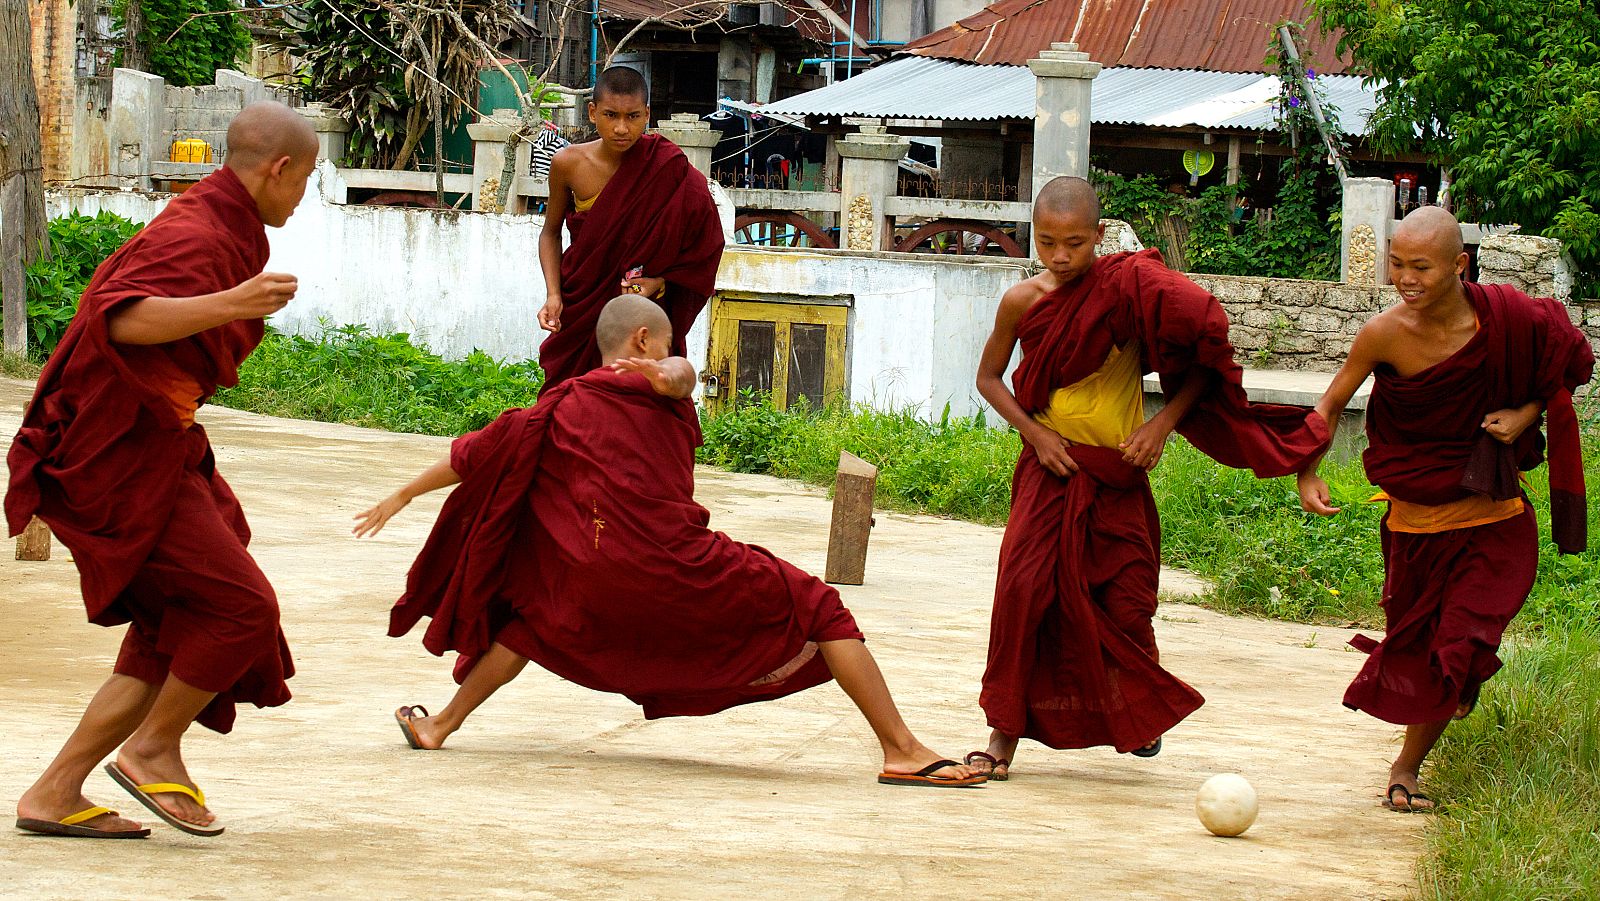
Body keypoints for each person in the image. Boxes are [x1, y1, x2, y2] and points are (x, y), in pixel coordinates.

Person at [356, 295, 984, 788]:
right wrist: (673, 373)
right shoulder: (665, 399)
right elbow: (683, 379)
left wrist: (402, 495)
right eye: (667, 343)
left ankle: (441, 725)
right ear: (642, 341)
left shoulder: (556, 409)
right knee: (821, 608)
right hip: (679, 566)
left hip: (592, 577)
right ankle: (901, 749)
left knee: (532, 625)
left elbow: (468, 460)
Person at [8, 101, 317, 839]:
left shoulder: (224, 223)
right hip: (114, 451)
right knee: (240, 607)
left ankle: (54, 791)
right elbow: (120, 317)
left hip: (154, 443)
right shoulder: (199, 228)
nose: (301, 197)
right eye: (303, 181)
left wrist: (227, 301)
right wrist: (232, 302)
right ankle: (151, 747)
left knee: (169, 630)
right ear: (277, 169)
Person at [967, 176, 1330, 780]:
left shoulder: (1127, 295)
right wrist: (1036, 433)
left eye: (1075, 244)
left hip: (1118, 472)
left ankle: (1133, 715)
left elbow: (1200, 368)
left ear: (1099, 237)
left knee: (1129, 600)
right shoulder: (1022, 301)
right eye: (1048, 241)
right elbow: (988, 378)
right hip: (1049, 470)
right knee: (1024, 595)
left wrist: (1160, 426)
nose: (1060, 256)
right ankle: (1002, 737)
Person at [1296, 206, 1592, 812]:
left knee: (1458, 649)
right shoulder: (1383, 333)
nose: (1405, 277)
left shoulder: (1508, 321)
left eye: (1421, 266)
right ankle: (1435, 713)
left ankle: (1407, 767)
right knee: (1430, 651)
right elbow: (1327, 407)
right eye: (1396, 263)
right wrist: (1307, 470)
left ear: (1460, 265)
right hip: (1414, 527)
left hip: (1495, 523)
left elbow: (1566, 368)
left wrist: (1525, 415)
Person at [537, 66, 724, 391]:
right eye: (611, 115)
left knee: (641, 399)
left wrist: (660, 282)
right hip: (582, 303)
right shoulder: (568, 163)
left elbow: (706, 243)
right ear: (592, 112)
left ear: (647, 114)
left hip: (641, 310)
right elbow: (550, 233)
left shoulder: (666, 166)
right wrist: (553, 294)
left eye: (633, 116)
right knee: (571, 398)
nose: (622, 128)